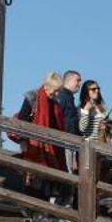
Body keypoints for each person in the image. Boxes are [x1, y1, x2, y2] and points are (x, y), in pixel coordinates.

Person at [18, 72, 68, 202]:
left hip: (50, 149)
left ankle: (42, 211)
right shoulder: (32, 97)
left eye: (58, 91)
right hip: (33, 146)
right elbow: (21, 121)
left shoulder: (55, 104)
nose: (57, 94)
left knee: (46, 182)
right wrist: (23, 141)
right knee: (33, 179)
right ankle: (29, 209)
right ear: (46, 86)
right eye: (55, 90)